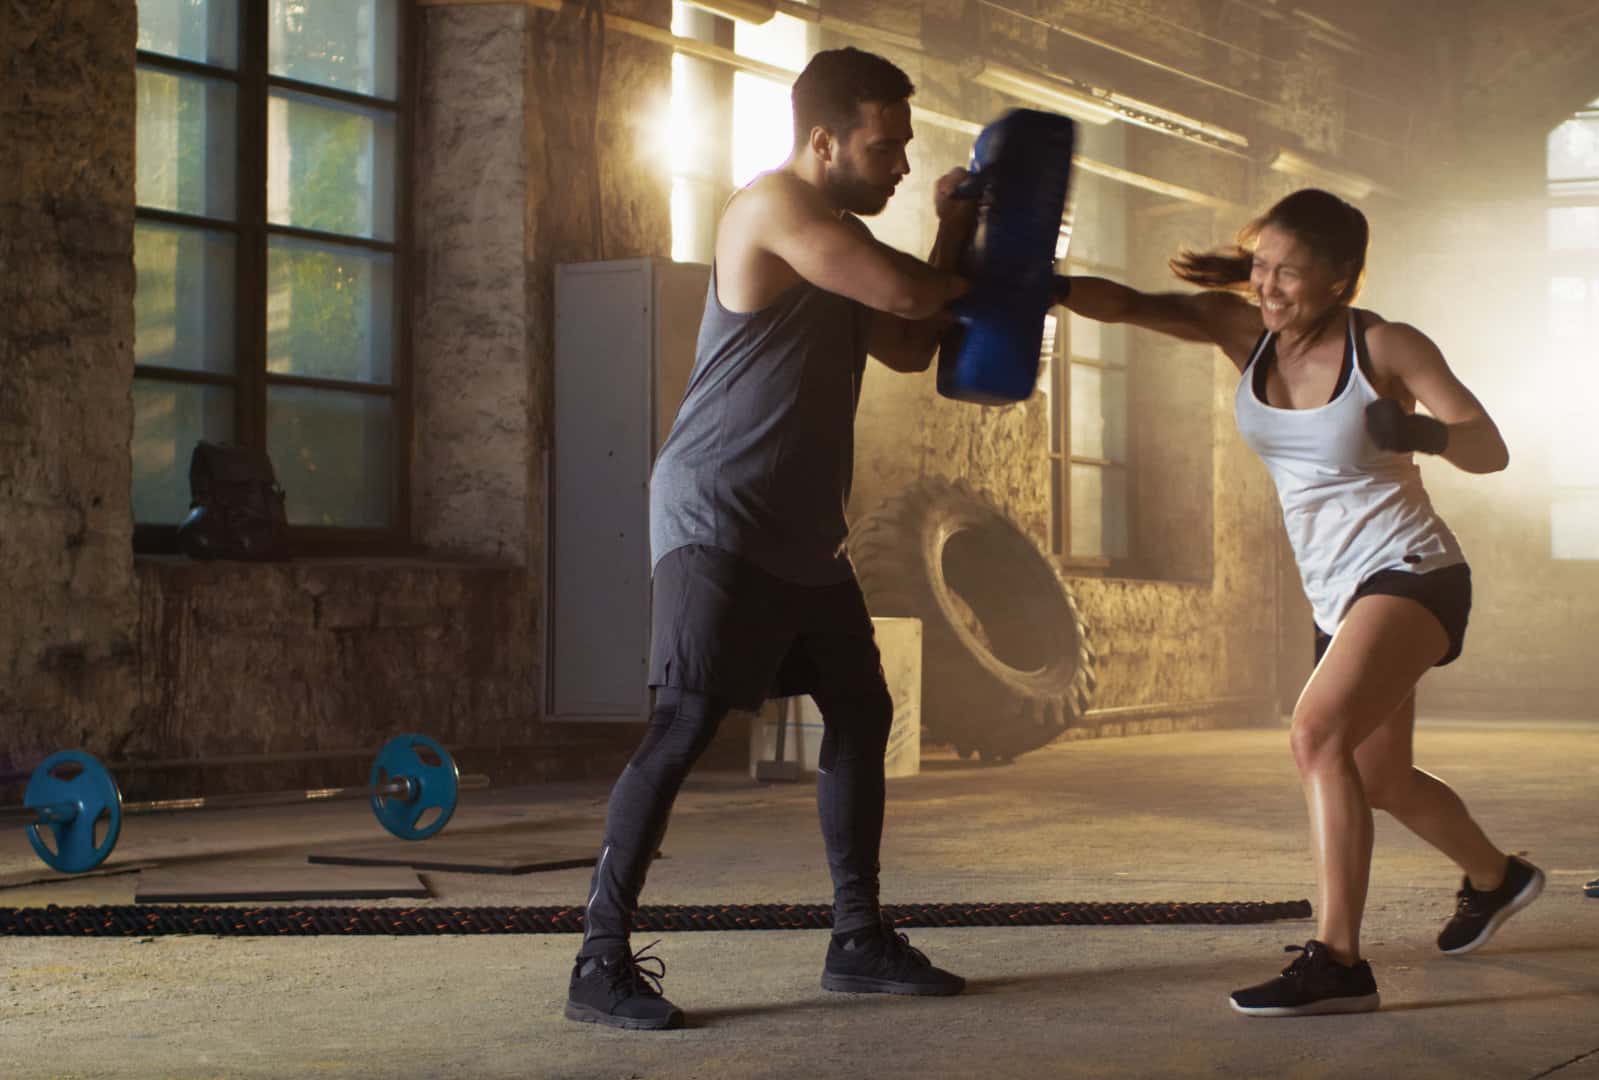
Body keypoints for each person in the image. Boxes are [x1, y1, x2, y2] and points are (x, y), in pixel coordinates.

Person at [565, 47, 977, 1031]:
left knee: (862, 708)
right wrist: (1012, 266)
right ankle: (598, 962)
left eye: (907, 149)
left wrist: (961, 224)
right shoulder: (774, 208)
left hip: (799, 531)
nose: (901, 167)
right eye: (886, 147)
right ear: (823, 140)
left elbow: (912, 340)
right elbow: (921, 299)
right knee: (687, 723)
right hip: (720, 514)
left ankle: (857, 940)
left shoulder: (837, 243)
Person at [1056, 188, 1543, 1017]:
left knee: (1314, 735)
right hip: (1337, 591)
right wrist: (1043, 282)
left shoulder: (1384, 344)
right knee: (1378, 777)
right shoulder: (1244, 333)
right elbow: (1134, 305)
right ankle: (1500, 878)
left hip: (1412, 570)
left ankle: (1338, 960)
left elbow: (1489, 447)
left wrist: (1420, 433)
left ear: (1340, 280)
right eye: (1260, 267)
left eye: (1289, 273)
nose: (1268, 288)